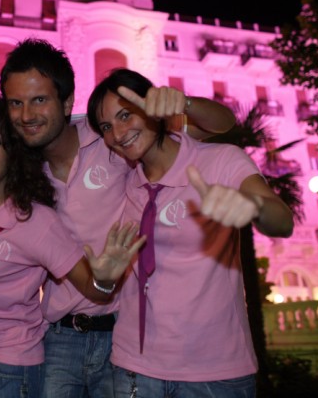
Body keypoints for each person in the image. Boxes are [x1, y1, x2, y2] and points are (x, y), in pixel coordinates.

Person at [0, 38, 236, 397]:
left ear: (67, 102)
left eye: (39, 100)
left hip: (122, 335)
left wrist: (181, 102)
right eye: (16, 103)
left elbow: (219, 125)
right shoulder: (15, 169)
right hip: (56, 336)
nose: (27, 115)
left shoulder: (112, 136)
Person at [86, 69, 294, 397]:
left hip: (214, 370)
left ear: (153, 106)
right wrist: (104, 280)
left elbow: (283, 222)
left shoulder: (218, 160)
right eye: (107, 127)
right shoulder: (127, 184)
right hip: (132, 369)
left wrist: (253, 206)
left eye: (125, 115)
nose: (118, 133)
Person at [0, 97, 144, 397]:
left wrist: (106, 279)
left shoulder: (35, 221)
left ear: (14, 154)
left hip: (7, 365)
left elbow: (94, 289)